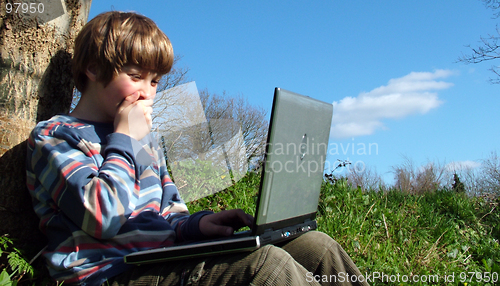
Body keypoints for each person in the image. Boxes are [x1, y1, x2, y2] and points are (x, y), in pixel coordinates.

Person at [26, 11, 369, 286]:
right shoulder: (56, 137)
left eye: (155, 81)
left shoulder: (144, 139)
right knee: (267, 267)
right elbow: (101, 217)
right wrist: (124, 139)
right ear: (94, 68)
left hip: (162, 260)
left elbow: (169, 215)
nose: (147, 93)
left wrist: (198, 225)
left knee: (316, 247)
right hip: (111, 273)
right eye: (135, 76)